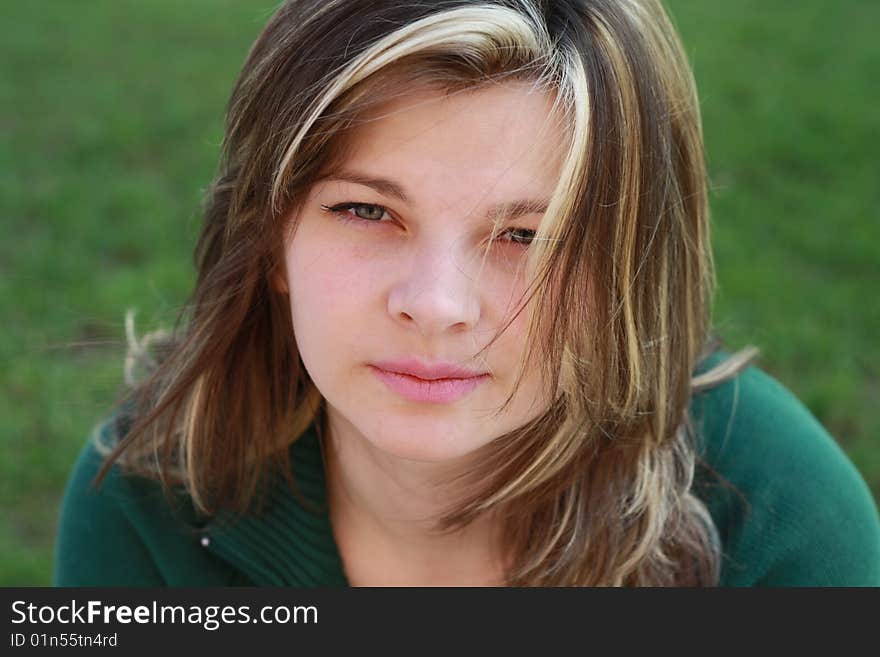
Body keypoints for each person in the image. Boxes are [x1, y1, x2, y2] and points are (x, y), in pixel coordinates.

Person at [53, 0, 880, 587]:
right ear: (270, 237)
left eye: (530, 234)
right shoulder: (146, 498)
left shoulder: (781, 530)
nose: (438, 303)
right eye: (367, 210)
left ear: (628, 267)